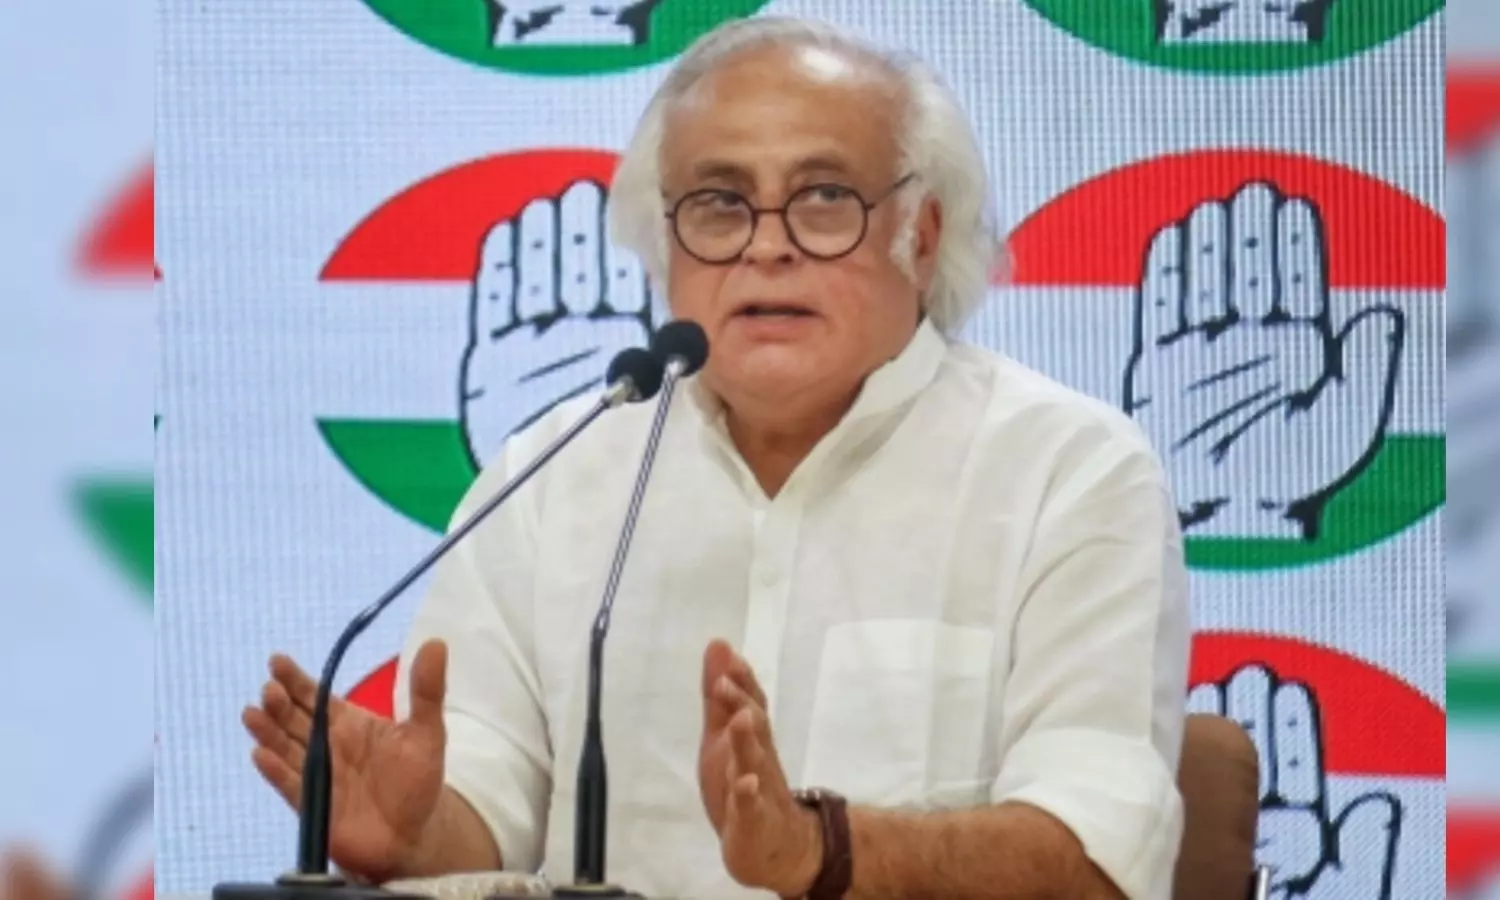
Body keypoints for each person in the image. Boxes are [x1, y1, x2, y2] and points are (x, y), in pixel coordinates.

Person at [243, 15, 1191, 900]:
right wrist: (415, 835)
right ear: (665, 244)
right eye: (719, 204)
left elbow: (1098, 859)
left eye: (824, 198)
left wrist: (821, 851)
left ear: (922, 233)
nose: (767, 247)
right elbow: (487, 818)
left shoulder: (1069, 473)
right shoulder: (556, 474)